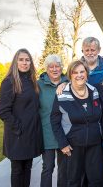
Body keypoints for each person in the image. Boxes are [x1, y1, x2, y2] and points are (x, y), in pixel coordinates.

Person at [51, 60, 103, 186]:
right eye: (75, 72)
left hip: (94, 145)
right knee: (73, 180)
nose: (79, 75)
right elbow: (54, 121)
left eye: (82, 71)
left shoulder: (94, 91)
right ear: (70, 75)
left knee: (95, 180)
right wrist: (62, 143)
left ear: (87, 73)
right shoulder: (62, 94)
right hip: (72, 146)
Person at [0, 48, 43, 187]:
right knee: (18, 170)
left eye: (27, 60)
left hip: (31, 134)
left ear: (31, 63)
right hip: (17, 135)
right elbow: (4, 112)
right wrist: (18, 128)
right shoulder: (9, 82)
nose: (25, 63)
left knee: (28, 167)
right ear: (15, 62)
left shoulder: (32, 81)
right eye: (21, 59)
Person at [38, 54, 68, 187]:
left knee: (64, 169)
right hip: (47, 133)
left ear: (62, 67)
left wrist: (66, 83)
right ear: (46, 69)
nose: (55, 69)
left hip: (65, 133)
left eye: (57, 66)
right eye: (51, 67)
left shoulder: (69, 82)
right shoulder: (39, 85)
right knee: (48, 167)